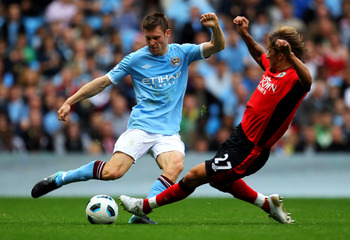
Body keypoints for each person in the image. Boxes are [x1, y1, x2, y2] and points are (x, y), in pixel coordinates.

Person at [31, 12, 225, 224]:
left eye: (157, 38)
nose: (152, 43)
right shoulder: (135, 59)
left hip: (168, 132)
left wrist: (215, 27)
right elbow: (103, 82)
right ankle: (62, 177)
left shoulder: (183, 53)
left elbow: (217, 46)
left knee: (175, 166)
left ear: (167, 34)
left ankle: (140, 214)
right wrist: (70, 100)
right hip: (140, 128)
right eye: (148, 38)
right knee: (112, 172)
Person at [119, 16, 312, 224]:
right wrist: (244, 35)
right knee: (220, 182)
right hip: (239, 136)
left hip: (252, 149)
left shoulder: (293, 80)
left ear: (283, 56)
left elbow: (308, 81)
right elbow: (258, 54)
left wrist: (290, 55)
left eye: (272, 52)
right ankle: (267, 204)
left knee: (194, 175)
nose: (267, 55)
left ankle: (144, 206)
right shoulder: (272, 68)